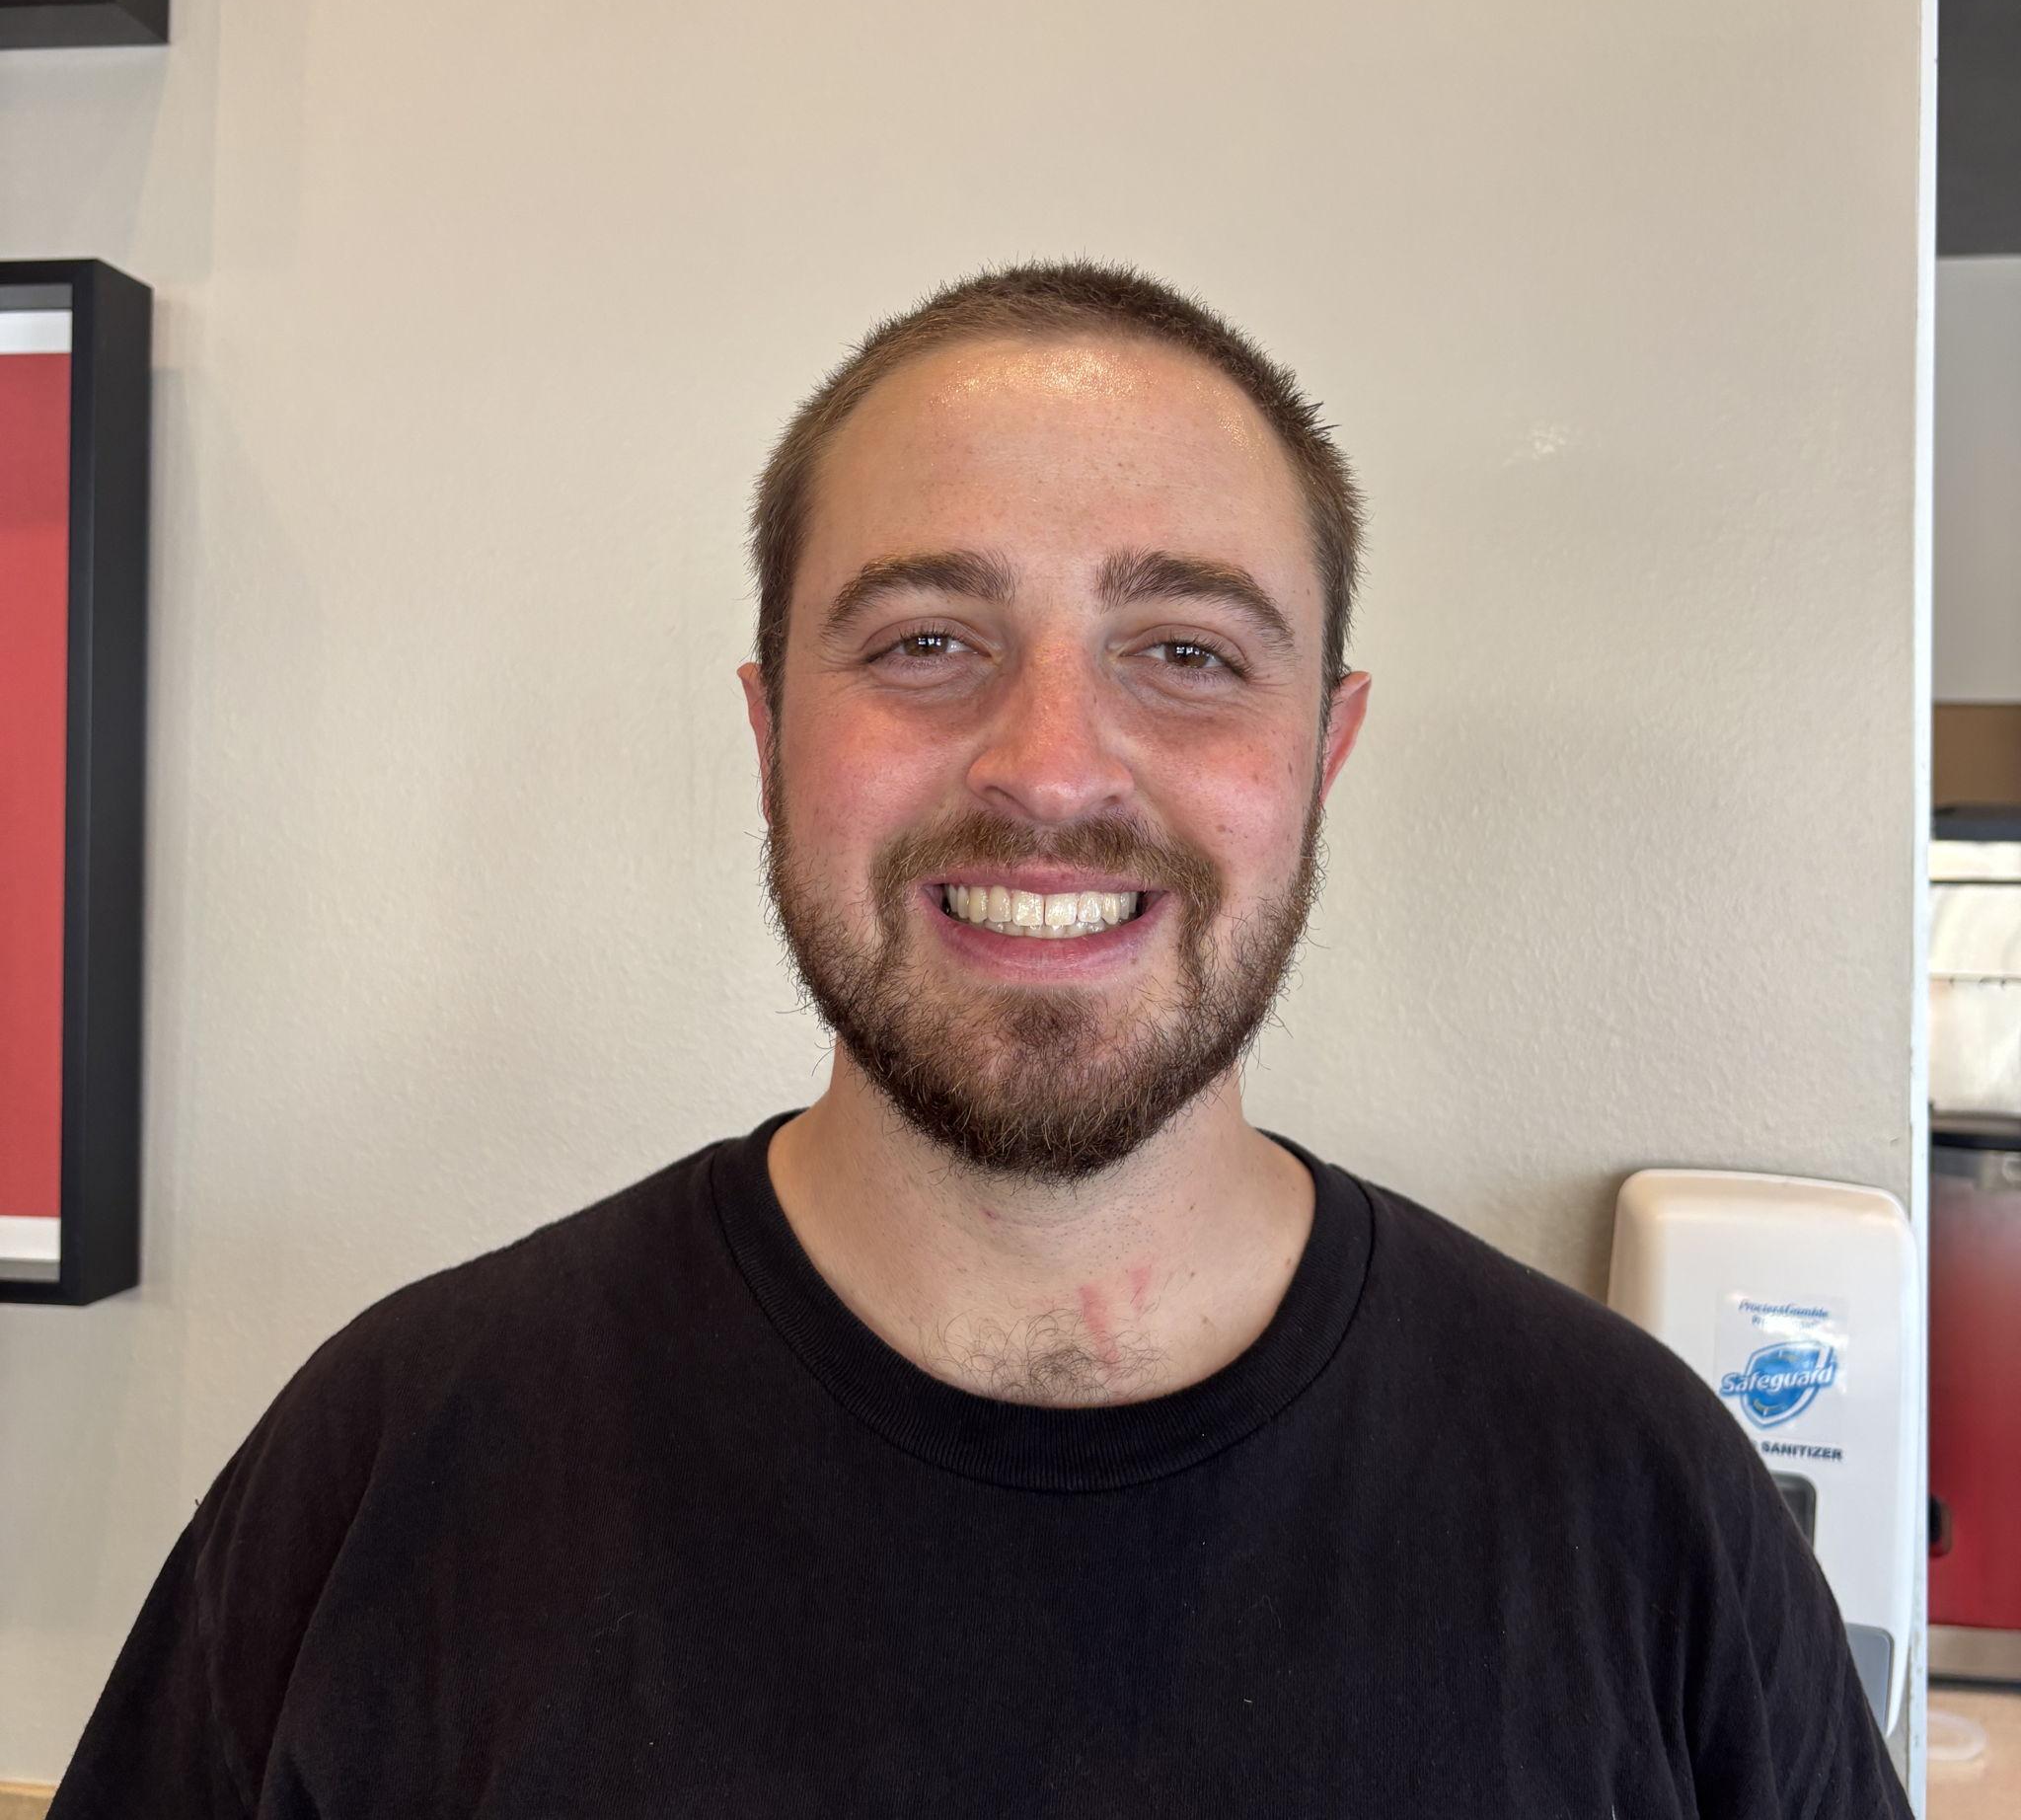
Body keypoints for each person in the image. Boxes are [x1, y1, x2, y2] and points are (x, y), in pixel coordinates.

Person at [51, 263, 1909, 1817]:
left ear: (1323, 753)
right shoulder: (395, 1465)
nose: (1050, 768)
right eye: (927, 641)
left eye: (1187, 651)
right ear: (772, 736)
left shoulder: (1642, 1503)